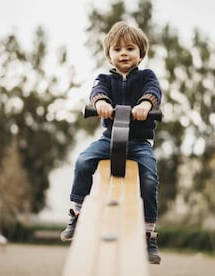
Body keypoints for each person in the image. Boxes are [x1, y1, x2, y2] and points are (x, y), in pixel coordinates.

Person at [60, 21, 162, 264]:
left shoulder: (147, 76)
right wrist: (101, 103)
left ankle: (148, 233)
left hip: (139, 142)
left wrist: (145, 105)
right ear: (109, 55)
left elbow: (153, 91)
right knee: (84, 160)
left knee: (149, 177)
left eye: (129, 48)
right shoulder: (105, 78)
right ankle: (77, 211)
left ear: (140, 53)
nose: (123, 53)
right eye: (117, 49)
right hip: (109, 139)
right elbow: (97, 92)